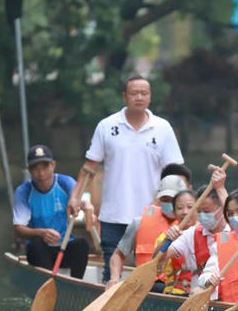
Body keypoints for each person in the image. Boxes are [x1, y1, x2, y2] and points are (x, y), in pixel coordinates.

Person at [67, 75, 184, 283]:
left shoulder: (163, 128)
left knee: (151, 270)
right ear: (124, 97)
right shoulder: (107, 126)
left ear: (150, 97)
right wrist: (75, 197)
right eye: (134, 93)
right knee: (110, 269)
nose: (139, 97)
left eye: (144, 93)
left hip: (152, 213)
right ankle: (105, 307)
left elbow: (175, 173)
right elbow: (89, 168)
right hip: (114, 213)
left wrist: (178, 205)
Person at [13, 144, 89, 278]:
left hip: (64, 246)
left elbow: (81, 204)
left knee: (82, 244)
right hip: (40, 251)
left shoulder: (66, 183)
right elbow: (19, 229)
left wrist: (88, 210)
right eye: (36, 169)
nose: (41, 173)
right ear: (29, 170)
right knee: (35, 245)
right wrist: (41, 233)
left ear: (53, 165)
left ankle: (77, 284)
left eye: (45, 167)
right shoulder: (23, 192)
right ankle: (47, 283)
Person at [105, 175, 186, 290]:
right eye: (165, 200)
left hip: (179, 287)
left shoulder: (193, 226)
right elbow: (118, 255)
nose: (169, 204)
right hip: (145, 285)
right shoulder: (139, 223)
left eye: (173, 200)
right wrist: (114, 278)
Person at [162, 184, 230, 294]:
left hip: (229, 297)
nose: (202, 215)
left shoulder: (234, 233)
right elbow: (160, 257)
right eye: (199, 211)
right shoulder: (191, 233)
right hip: (197, 298)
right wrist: (167, 240)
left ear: (221, 209)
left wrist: (221, 188)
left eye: (207, 211)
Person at [153, 189, 198, 294]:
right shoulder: (165, 236)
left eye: (190, 207)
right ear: (174, 212)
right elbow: (156, 263)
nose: (185, 212)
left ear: (198, 209)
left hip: (199, 293)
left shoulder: (206, 232)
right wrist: (167, 240)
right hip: (173, 293)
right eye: (180, 208)